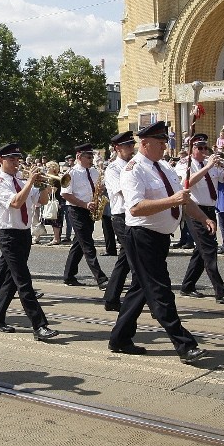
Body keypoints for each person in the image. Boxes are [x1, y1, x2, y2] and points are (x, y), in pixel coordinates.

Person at [108, 122, 210, 363]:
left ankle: (119, 338)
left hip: (160, 238)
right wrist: (172, 200)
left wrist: (203, 217)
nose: (165, 147)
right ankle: (184, 344)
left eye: (165, 142)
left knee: (140, 290)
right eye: (161, 143)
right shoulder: (133, 170)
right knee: (160, 291)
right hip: (142, 236)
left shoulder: (163, 166)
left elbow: (183, 198)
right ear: (145, 144)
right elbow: (135, 207)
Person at [0, 143, 58, 341]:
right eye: (12, 159)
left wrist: (42, 184)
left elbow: (42, 201)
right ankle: (39, 325)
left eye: (18, 159)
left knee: (11, 279)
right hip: (8, 235)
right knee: (23, 281)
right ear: (1, 160)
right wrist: (30, 182)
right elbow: (16, 202)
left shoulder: (20, 179)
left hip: (24, 234)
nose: (17, 163)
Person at [175, 134, 224, 303]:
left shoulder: (211, 165)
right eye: (199, 148)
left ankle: (187, 286)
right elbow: (185, 184)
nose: (203, 151)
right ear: (191, 150)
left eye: (205, 148)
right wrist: (207, 167)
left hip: (210, 211)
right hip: (194, 210)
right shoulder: (185, 164)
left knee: (201, 250)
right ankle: (221, 291)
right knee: (209, 250)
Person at [61, 144, 108, 288]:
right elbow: (65, 194)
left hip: (90, 209)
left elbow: (97, 190)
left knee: (79, 244)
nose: (91, 159)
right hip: (77, 211)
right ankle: (100, 278)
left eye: (92, 156)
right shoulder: (71, 173)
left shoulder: (93, 171)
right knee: (87, 244)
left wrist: (100, 192)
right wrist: (84, 204)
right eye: (88, 157)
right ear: (78, 156)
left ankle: (68, 275)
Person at [102, 132, 135, 312]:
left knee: (125, 260)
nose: (131, 149)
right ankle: (142, 299)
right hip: (121, 217)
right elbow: (124, 191)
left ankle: (111, 298)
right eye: (127, 146)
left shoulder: (135, 164)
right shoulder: (113, 169)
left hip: (134, 216)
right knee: (135, 260)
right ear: (117, 148)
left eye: (132, 145)